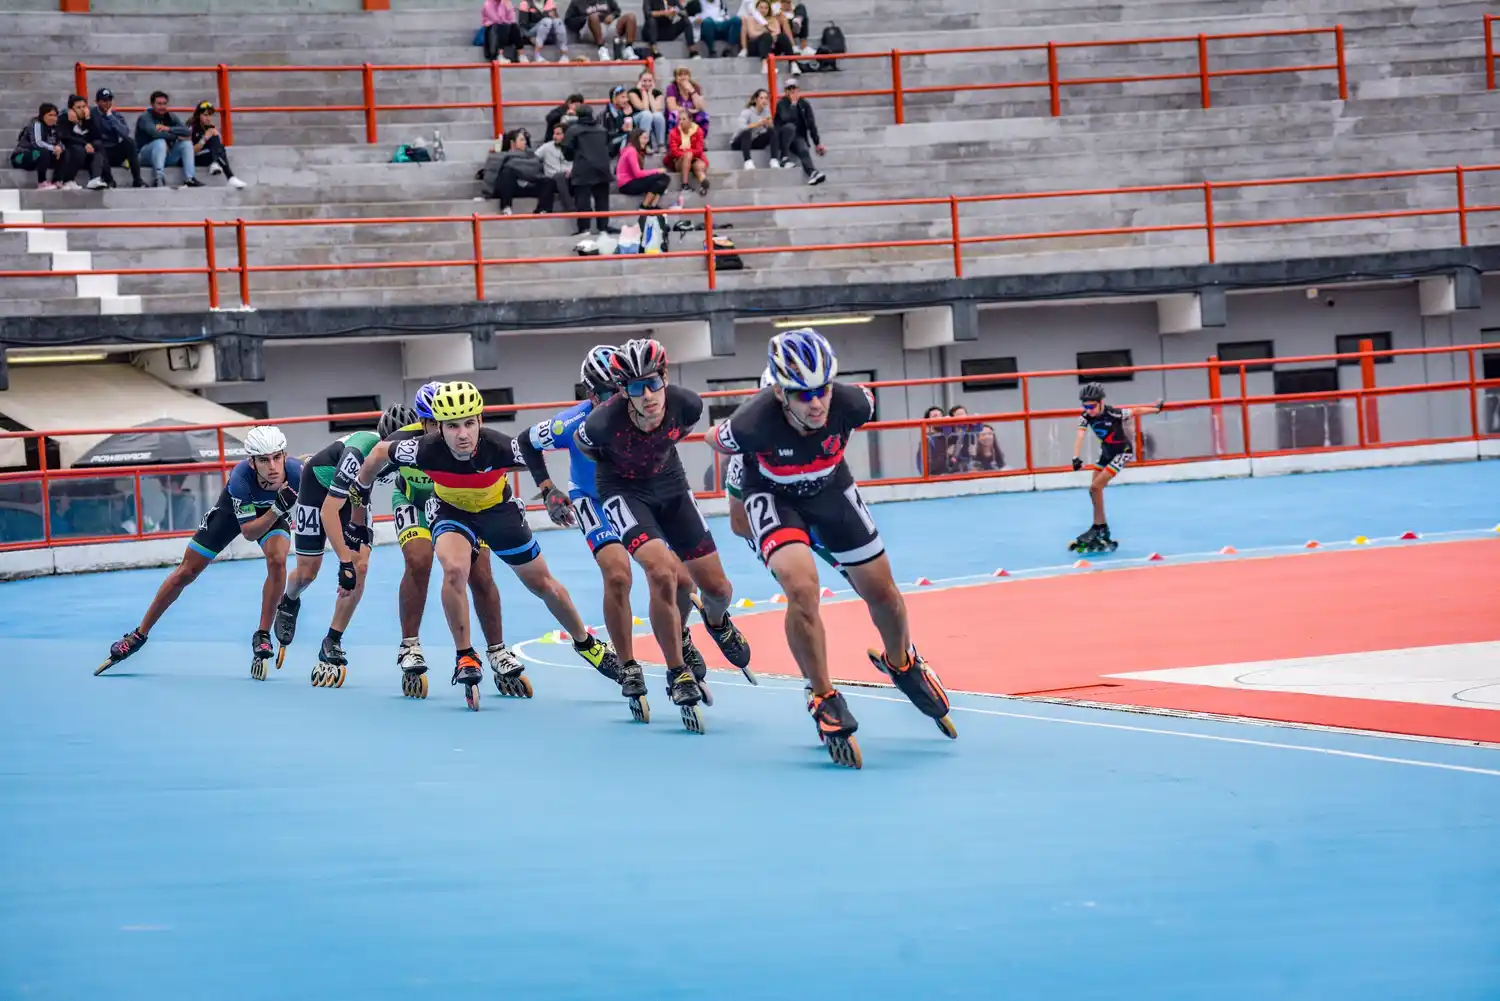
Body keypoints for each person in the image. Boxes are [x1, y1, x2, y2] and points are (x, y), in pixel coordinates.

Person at [708, 329, 958, 768]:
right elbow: (716, 447)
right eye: (803, 395)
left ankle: (902, 663)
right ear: (780, 394)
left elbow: (843, 400)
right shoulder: (749, 425)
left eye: (822, 389)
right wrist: (763, 534)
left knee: (883, 593)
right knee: (802, 590)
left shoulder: (855, 402)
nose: (816, 402)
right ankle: (822, 694)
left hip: (830, 489)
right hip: (773, 497)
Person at [351, 381, 616, 711]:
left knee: (542, 584)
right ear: (438, 427)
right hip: (451, 512)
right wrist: (360, 492)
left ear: (479, 421)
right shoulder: (423, 448)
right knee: (454, 570)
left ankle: (587, 643)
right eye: (451, 426)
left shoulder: (499, 447)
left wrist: (548, 490)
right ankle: (465, 655)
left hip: (497, 511)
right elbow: (378, 453)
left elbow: (533, 448)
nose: (462, 434)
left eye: (468, 423)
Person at [574, 338, 753, 733]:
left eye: (654, 383)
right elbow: (589, 452)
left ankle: (718, 622)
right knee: (660, 572)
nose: (649, 394)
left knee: (718, 588)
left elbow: (671, 438)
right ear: (623, 392)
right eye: (636, 387)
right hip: (622, 490)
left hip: (670, 485)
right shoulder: (600, 425)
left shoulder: (687, 404)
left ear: (666, 378)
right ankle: (677, 672)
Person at [519, 346, 704, 721]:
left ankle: (678, 633)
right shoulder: (574, 424)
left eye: (623, 390)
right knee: (618, 575)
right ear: (590, 396)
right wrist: (548, 488)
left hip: (642, 495)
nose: (617, 402)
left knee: (682, 580)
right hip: (594, 499)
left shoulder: (648, 410)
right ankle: (629, 664)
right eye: (606, 395)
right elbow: (526, 441)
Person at [96, 426, 302, 679]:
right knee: (186, 572)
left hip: (273, 512)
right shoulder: (240, 478)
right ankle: (138, 635)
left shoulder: (295, 472)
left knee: (278, 560)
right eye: (263, 460)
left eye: (277, 457)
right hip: (232, 515)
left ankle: (262, 634)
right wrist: (278, 508)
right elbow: (248, 533)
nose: (272, 466)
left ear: (284, 455)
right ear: (251, 462)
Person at [372, 385, 525, 700]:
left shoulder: (467, 440)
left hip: (460, 505)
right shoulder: (406, 443)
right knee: (418, 561)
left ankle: (496, 650)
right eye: (431, 423)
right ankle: (409, 645)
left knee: (480, 572)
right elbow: (364, 462)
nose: (438, 430)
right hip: (413, 502)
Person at [268, 422, 390, 687]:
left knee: (362, 569)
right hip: (318, 489)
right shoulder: (359, 453)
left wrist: (354, 561)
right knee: (307, 573)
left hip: (355, 497)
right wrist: (344, 561)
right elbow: (327, 512)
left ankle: (332, 640)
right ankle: (289, 601)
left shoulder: (409, 452)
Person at [724, 366, 846, 583]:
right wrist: (790, 536)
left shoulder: (823, 431)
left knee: (858, 572)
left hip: (813, 504)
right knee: (800, 585)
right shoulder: (747, 446)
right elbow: (739, 522)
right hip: (773, 512)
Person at [1069, 383, 1163, 553]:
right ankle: (1100, 527)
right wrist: (1076, 457)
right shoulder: (1085, 417)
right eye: (1085, 406)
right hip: (1106, 453)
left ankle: (1100, 528)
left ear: (1101, 402)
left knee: (1096, 486)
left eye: (1092, 406)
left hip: (1122, 452)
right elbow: (1080, 434)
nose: (1088, 409)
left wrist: (1156, 409)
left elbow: (1135, 411)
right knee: (1094, 491)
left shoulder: (1113, 412)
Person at [562, 105, 614, 235]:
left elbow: (567, 153)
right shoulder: (602, 130)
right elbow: (610, 148)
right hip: (602, 167)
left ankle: (584, 228)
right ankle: (603, 228)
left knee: (583, 200)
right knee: (602, 200)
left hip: (583, 168)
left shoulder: (573, 130)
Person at [135, 90, 197, 188]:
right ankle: (158, 177)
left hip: (165, 155)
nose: (162, 107)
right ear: (152, 104)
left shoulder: (170, 116)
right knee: (160, 142)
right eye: (159, 104)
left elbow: (187, 131)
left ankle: (190, 178)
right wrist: (176, 136)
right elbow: (154, 133)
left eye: (164, 104)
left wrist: (168, 128)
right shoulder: (145, 117)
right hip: (145, 155)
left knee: (187, 144)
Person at [486, 128, 556, 214]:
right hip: (511, 187)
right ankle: (506, 207)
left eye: (525, 140)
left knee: (548, 181)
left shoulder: (531, 155)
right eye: (522, 140)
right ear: (512, 143)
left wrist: (523, 174)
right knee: (507, 171)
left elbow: (536, 168)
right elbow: (493, 171)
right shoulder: (503, 155)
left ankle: (543, 209)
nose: (525, 142)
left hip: (529, 184)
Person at [774, 81, 825, 185]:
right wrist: (793, 105)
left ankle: (812, 173)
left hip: (798, 136)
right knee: (790, 127)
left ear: (798, 90)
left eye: (794, 89)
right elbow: (786, 119)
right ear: (786, 91)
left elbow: (811, 124)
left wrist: (817, 143)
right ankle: (784, 157)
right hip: (783, 136)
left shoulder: (804, 104)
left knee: (803, 149)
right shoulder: (782, 103)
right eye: (789, 89)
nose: (792, 91)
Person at [188, 101, 247, 189]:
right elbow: (189, 152)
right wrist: (205, 138)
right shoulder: (191, 127)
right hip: (192, 158)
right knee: (219, 150)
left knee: (219, 145)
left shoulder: (210, 127)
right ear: (198, 115)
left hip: (207, 155)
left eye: (210, 115)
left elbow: (218, 147)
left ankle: (216, 164)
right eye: (205, 115)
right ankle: (230, 176)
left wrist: (215, 135)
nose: (208, 118)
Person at [92, 88, 143, 188]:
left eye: (110, 100)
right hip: (99, 152)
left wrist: (110, 117)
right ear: (97, 102)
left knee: (129, 142)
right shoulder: (92, 114)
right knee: (98, 144)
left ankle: (137, 180)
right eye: (104, 100)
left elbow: (124, 133)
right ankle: (109, 180)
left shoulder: (115, 115)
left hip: (113, 150)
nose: (108, 103)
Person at [58, 95, 108, 190]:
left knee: (98, 152)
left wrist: (88, 119)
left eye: (84, 107)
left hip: (86, 153)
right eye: (78, 107)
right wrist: (85, 144)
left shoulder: (87, 120)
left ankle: (95, 179)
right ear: (71, 109)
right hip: (71, 151)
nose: (82, 110)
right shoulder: (65, 119)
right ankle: (68, 180)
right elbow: (65, 137)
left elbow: (97, 136)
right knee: (79, 150)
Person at [10, 103, 64, 190]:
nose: (53, 118)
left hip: (38, 157)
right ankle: (42, 182)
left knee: (64, 153)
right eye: (50, 115)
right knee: (43, 151)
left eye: (55, 115)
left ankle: (57, 180)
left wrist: (59, 148)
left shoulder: (55, 127)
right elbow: (37, 143)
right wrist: (54, 148)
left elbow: (60, 142)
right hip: (21, 157)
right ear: (42, 115)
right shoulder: (37, 124)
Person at [615, 127, 670, 209]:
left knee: (664, 179)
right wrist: (657, 170)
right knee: (663, 177)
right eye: (644, 138)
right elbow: (638, 174)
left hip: (630, 182)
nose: (646, 141)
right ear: (636, 138)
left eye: (647, 138)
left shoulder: (633, 150)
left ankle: (652, 205)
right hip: (627, 185)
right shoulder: (631, 151)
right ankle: (644, 206)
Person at [564, 0, 638, 60]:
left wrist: (612, 15)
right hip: (590, 30)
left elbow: (617, 11)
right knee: (594, 16)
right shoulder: (577, 2)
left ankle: (628, 48)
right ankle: (602, 49)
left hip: (608, 26)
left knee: (630, 17)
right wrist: (586, 19)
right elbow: (568, 21)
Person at [730, 88, 781, 168]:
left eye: (766, 98)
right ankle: (747, 161)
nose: (764, 100)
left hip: (754, 141)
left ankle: (774, 159)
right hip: (739, 142)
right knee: (747, 132)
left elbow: (770, 129)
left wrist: (769, 124)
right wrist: (758, 124)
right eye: (761, 98)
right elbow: (741, 127)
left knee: (772, 131)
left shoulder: (766, 111)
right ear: (755, 100)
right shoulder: (747, 112)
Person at [665, 113, 708, 196]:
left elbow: (699, 150)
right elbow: (675, 152)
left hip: (694, 159)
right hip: (678, 161)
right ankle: (684, 185)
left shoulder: (698, 131)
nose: (681, 122)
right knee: (688, 155)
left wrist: (689, 153)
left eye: (684, 119)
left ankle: (703, 183)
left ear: (690, 120)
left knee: (700, 165)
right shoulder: (673, 132)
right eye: (679, 119)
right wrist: (688, 154)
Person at [626, 68, 667, 152]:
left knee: (658, 115)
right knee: (647, 114)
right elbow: (644, 108)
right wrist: (643, 91)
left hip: (650, 117)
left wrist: (650, 93)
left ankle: (661, 144)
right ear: (639, 81)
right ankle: (645, 144)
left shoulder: (658, 93)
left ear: (653, 82)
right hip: (637, 118)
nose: (647, 83)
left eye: (650, 81)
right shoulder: (632, 92)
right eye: (644, 81)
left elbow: (656, 110)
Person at [535, 122, 574, 210]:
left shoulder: (573, 147)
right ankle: (570, 208)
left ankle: (584, 209)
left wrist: (573, 171)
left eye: (558, 134)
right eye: (554, 134)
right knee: (558, 176)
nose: (554, 137)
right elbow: (534, 158)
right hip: (552, 181)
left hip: (570, 179)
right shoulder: (547, 147)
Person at [665, 66, 710, 135]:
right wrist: (688, 111)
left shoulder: (695, 87)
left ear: (689, 76)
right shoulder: (671, 88)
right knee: (674, 115)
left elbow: (701, 107)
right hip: (679, 115)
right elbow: (672, 108)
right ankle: (673, 141)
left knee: (703, 115)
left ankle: (700, 140)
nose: (683, 77)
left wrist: (692, 91)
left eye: (685, 74)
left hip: (692, 116)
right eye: (680, 75)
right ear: (676, 78)